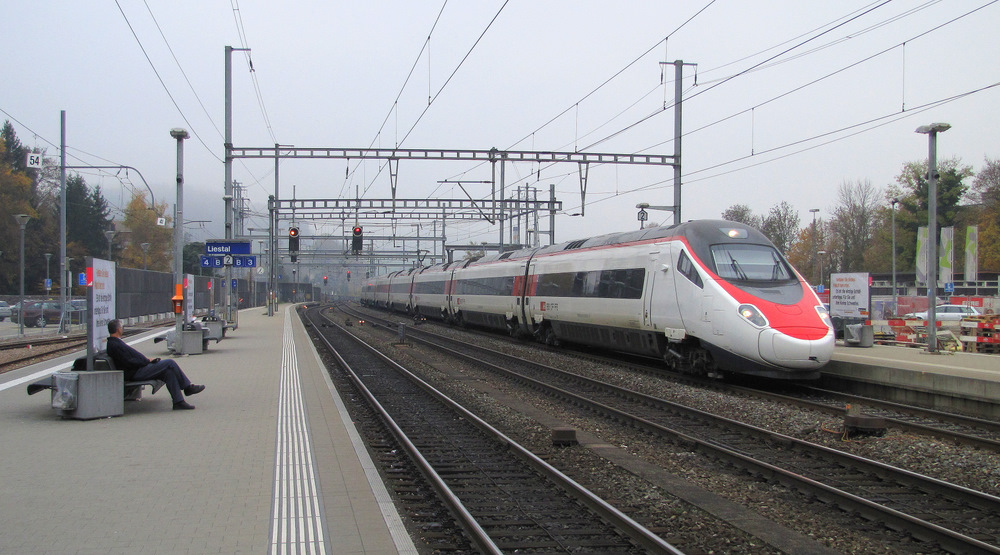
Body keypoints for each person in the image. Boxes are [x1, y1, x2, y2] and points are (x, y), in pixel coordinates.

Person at [105, 319, 205, 410]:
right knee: (170, 363)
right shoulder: (114, 345)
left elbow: (130, 359)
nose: (122, 329)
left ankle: (178, 402)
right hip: (135, 372)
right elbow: (128, 361)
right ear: (118, 329)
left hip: (138, 369)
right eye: (122, 327)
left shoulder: (115, 343)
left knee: (168, 372)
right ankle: (187, 387)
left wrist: (147, 360)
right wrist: (147, 361)